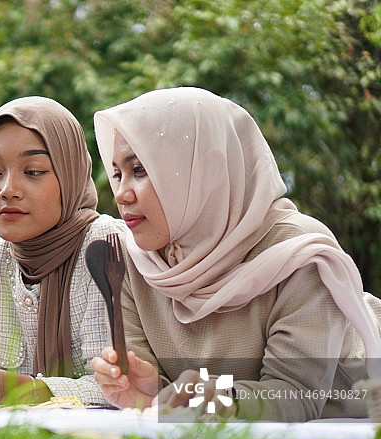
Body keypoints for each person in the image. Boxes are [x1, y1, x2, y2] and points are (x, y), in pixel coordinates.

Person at [90, 87, 381, 421]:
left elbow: (296, 397)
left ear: (203, 172)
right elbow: (176, 401)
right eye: (117, 173)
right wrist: (148, 391)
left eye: (139, 169)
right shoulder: (134, 260)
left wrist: (218, 395)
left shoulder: (300, 255)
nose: (121, 194)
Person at [0, 96, 127, 405]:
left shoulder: (103, 246)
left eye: (34, 171)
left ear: (70, 173)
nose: (8, 189)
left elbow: (119, 386)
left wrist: (17, 389)